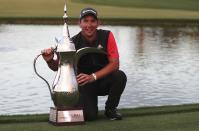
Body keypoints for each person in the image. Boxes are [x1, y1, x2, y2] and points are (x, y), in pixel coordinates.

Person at [42, 7, 127, 121]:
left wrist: (93, 77)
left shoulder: (107, 36)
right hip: (84, 84)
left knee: (119, 76)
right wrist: (49, 60)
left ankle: (110, 109)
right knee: (90, 116)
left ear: (98, 23)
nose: (89, 25)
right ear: (80, 23)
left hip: (103, 80)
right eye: (85, 21)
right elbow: (58, 67)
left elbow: (115, 64)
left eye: (92, 21)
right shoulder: (73, 42)